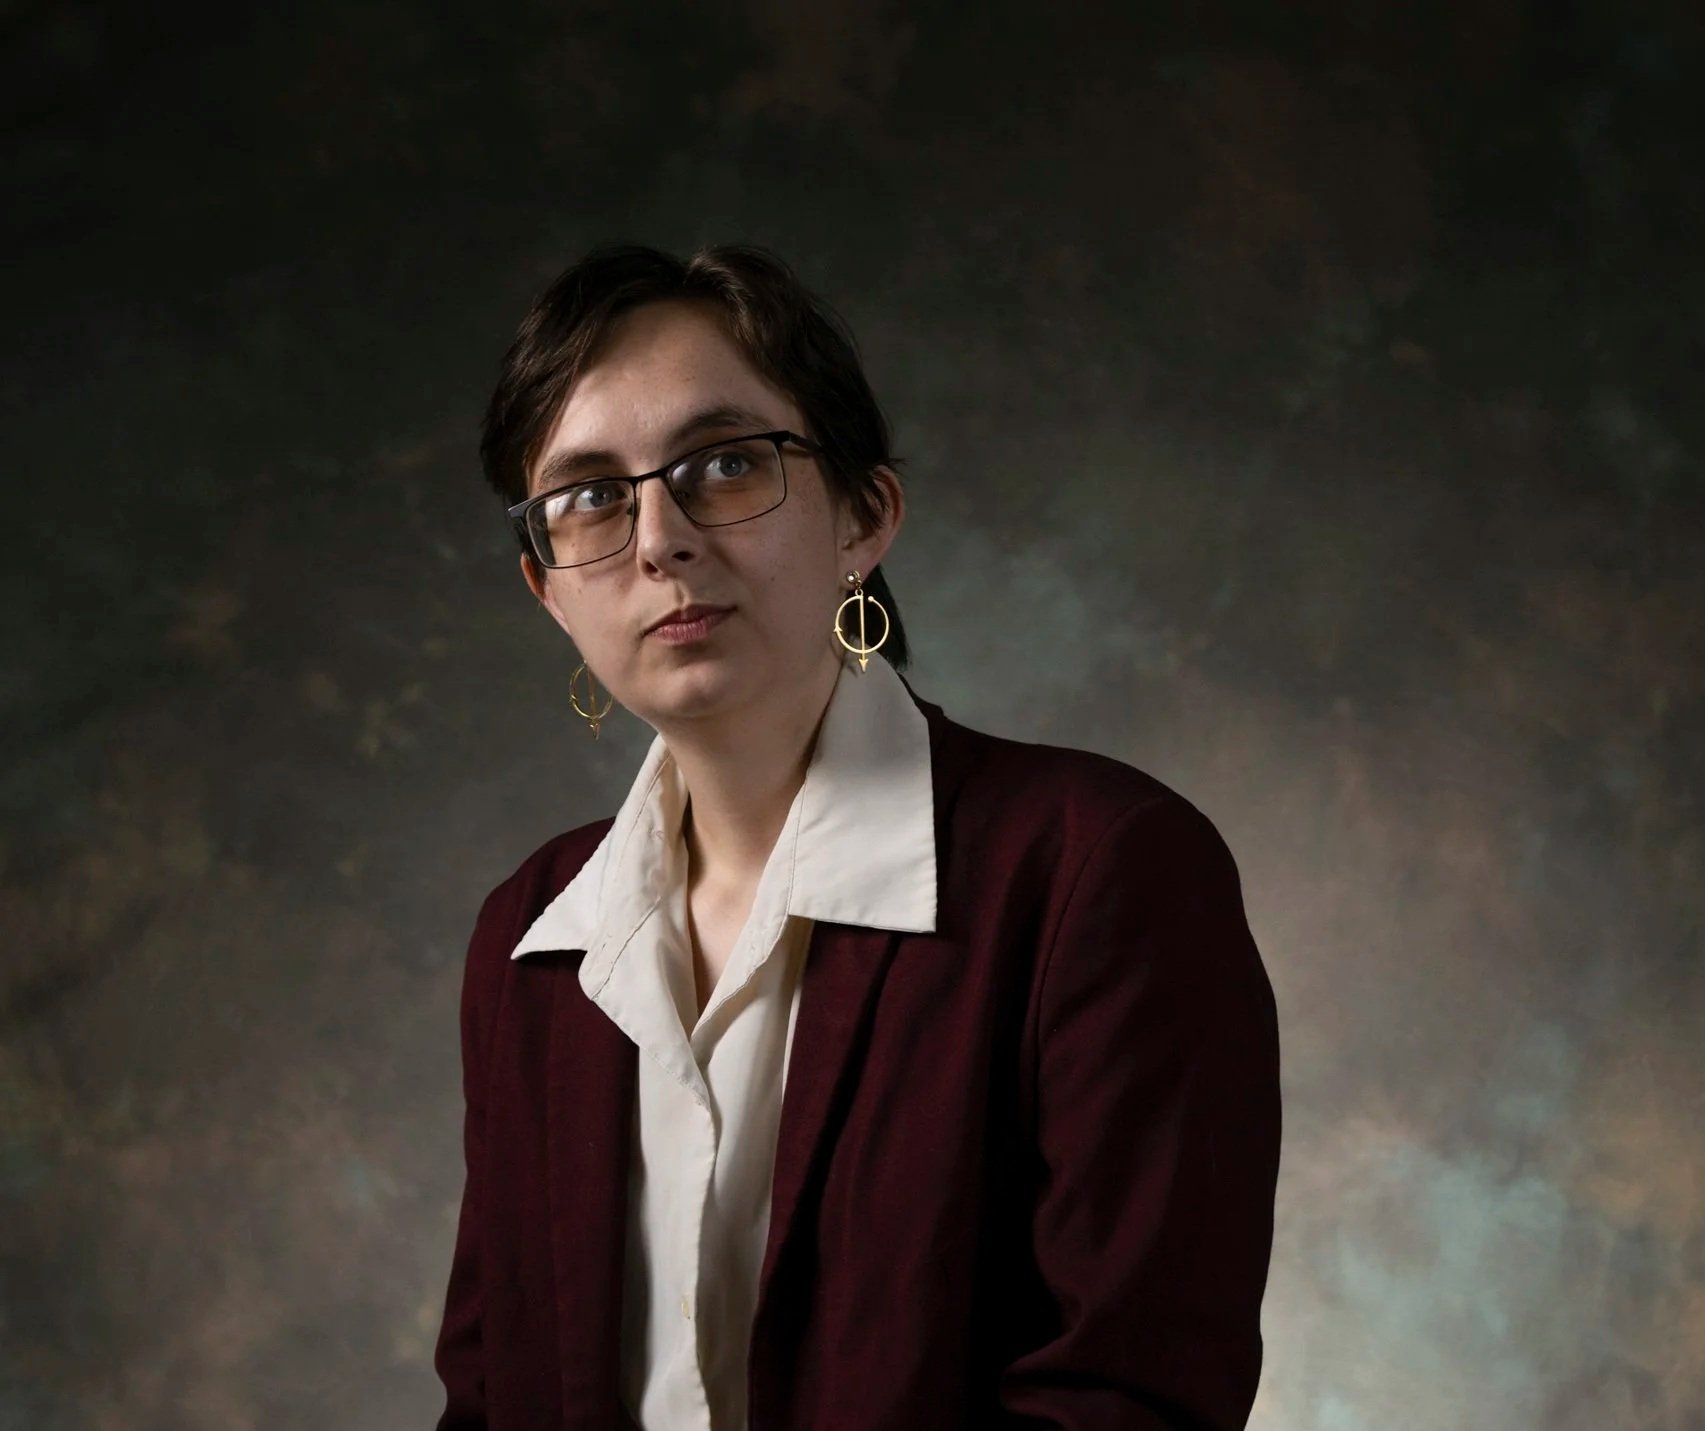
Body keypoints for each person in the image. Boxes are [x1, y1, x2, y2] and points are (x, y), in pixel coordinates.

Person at [430, 243, 1282, 1431]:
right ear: (549, 590)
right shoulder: (529, 939)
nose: (659, 539)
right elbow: (489, 1402)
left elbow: (1129, 1398)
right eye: (592, 496)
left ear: (864, 516)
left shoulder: (1101, 869)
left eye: (724, 465)